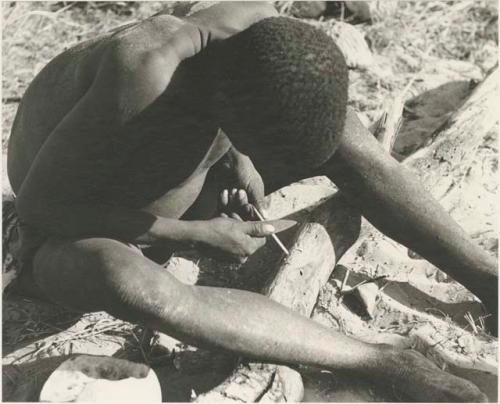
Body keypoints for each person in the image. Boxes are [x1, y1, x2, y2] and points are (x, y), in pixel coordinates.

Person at [6, 2, 496, 401]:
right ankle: (380, 361)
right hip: (73, 223)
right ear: (228, 111)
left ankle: (487, 276)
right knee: (129, 283)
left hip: (189, 169)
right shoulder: (141, 73)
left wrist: (239, 157)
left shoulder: (257, 32)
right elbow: (39, 206)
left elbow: (252, 107)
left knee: (348, 140)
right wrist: (189, 233)